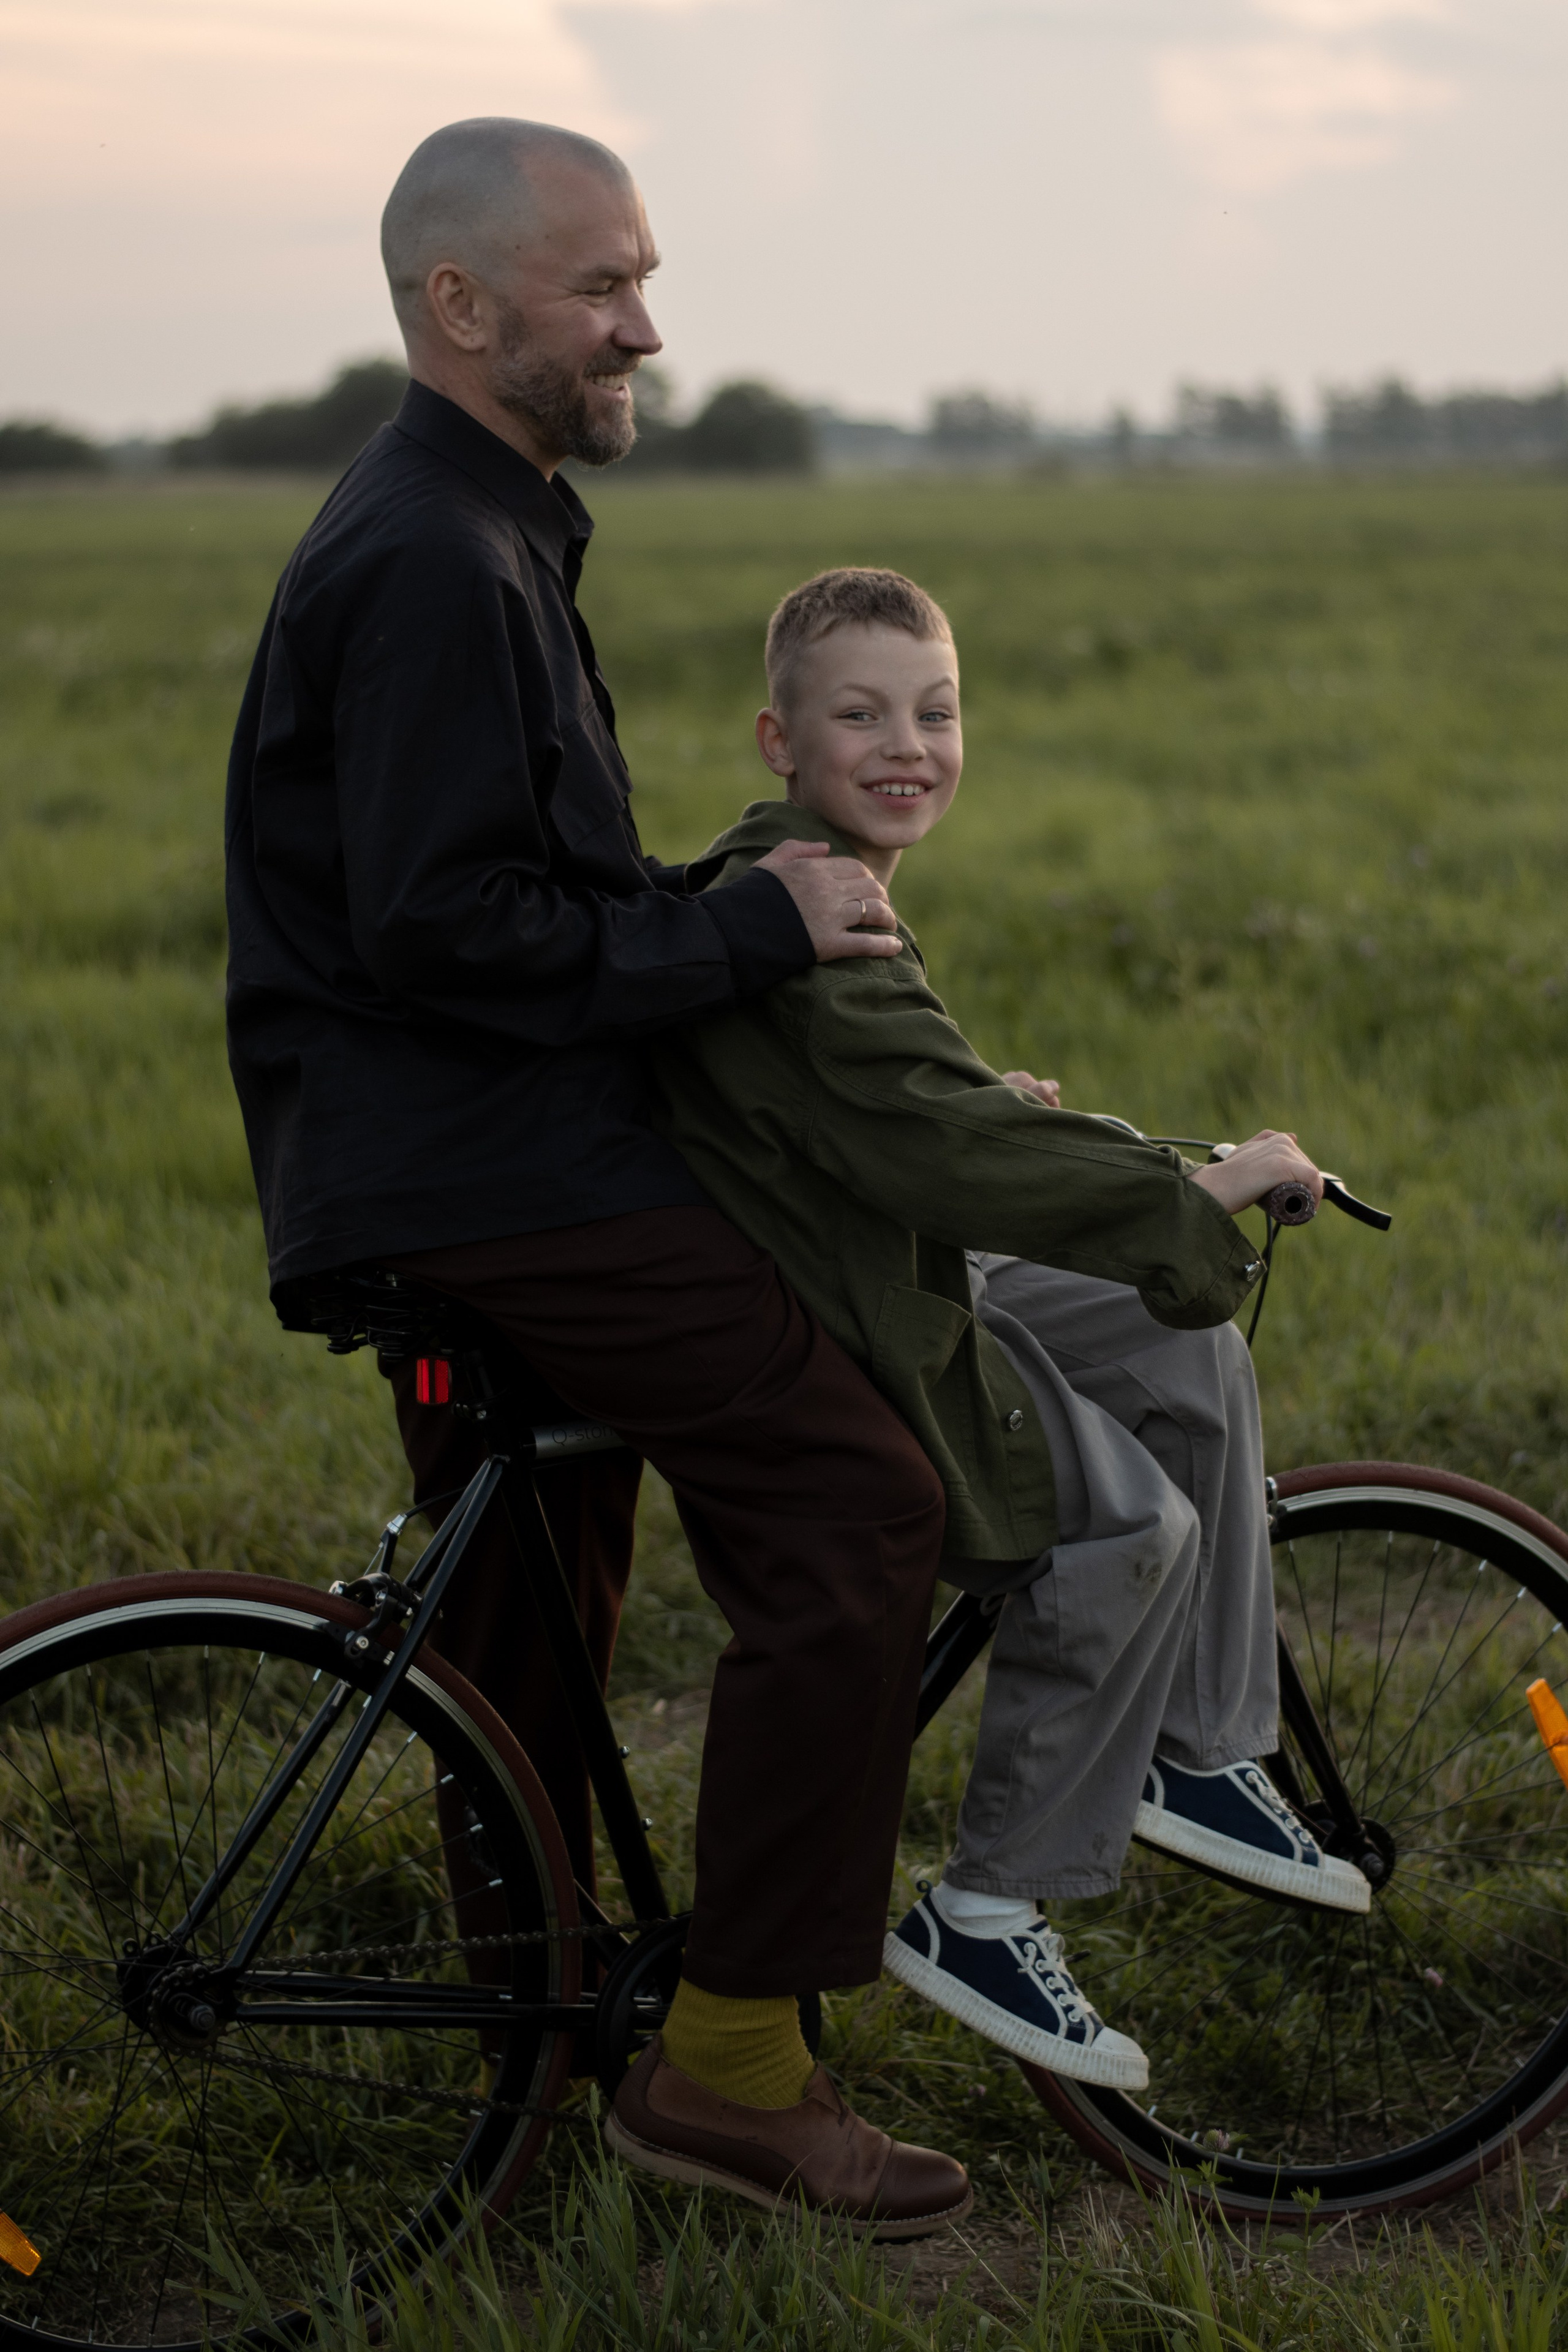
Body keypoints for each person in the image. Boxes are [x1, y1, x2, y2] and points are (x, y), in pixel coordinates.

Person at [224, 119, 975, 2237]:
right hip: (492, 1170)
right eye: (603, 288)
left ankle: (520, 2091)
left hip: (444, 1160)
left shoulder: (482, 531)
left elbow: (517, 890)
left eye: (645, 278)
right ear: (463, 310)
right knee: (858, 1501)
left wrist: (733, 914)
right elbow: (452, 929)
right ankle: (732, 2064)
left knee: (528, 1637)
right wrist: (751, 931)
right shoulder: (434, 559)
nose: (646, 325)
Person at [645, 566, 1372, 2093]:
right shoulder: (800, 898)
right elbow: (928, 1147)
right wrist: (1201, 1186)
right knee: (1127, 1525)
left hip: (885, 1252)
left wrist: (1013, 1120)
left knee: (1185, 1347)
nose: (906, 742)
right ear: (776, 738)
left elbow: (905, 1111)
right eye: (860, 714)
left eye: (936, 708)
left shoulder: (818, 870)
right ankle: (986, 1902)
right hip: (846, 1305)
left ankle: (1206, 1750)